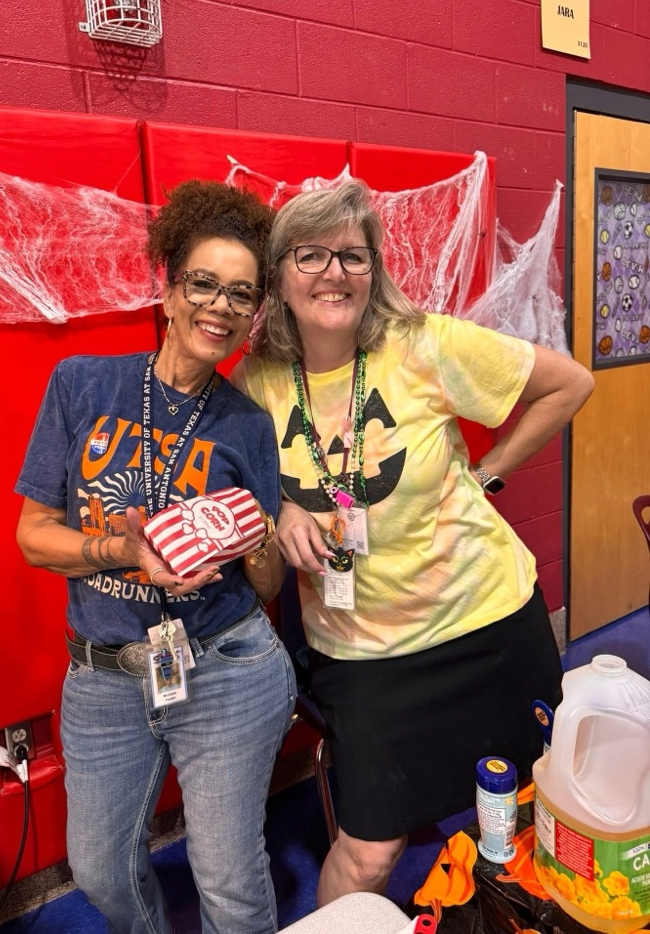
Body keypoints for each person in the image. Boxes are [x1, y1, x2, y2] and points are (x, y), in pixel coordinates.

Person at [233, 179, 594, 908]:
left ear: (375, 271)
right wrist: (277, 508)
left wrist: (487, 475)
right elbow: (236, 474)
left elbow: (571, 384)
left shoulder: (424, 343)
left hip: (487, 619)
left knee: (533, 805)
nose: (334, 272)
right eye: (310, 255)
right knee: (368, 855)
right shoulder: (256, 382)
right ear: (278, 274)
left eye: (353, 256)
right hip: (365, 652)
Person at [15, 180, 296, 934]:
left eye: (242, 294)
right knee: (100, 867)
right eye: (203, 283)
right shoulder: (83, 384)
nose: (220, 307)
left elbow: (266, 585)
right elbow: (33, 534)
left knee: (230, 884)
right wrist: (121, 550)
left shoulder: (247, 426)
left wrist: (258, 536)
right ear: (168, 286)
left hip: (228, 665)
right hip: (104, 676)